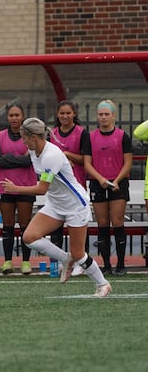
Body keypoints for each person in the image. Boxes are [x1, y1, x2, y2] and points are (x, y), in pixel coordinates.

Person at [1, 118, 111, 297]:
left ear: (34, 137)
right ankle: (65, 259)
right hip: (55, 204)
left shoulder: (51, 155)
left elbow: (42, 189)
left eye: (25, 138)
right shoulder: (33, 151)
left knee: (78, 252)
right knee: (29, 237)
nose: (23, 142)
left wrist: (16, 189)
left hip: (75, 205)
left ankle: (103, 284)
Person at [82, 99, 133, 275]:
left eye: (107, 114)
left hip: (118, 183)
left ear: (113, 116)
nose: (103, 117)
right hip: (98, 183)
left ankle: (120, 265)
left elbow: (128, 162)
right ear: (97, 116)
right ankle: (106, 265)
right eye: (101, 114)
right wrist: (100, 178)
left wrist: (117, 180)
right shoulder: (90, 137)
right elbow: (87, 163)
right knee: (102, 224)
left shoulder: (122, 136)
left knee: (118, 222)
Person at [0, 103, 36, 275]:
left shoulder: (30, 136)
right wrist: (18, 158)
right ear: (7, 118)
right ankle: (7, 261)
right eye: (11, 115)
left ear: (23, 116)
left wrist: (8, 157)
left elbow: (31, 160)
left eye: (17, 115)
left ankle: (26, 262)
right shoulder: (0, 136)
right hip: (5, 186)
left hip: (26, 186)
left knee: (25, 225)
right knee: (8, 225)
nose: (14, 118)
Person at [49, 100, 89, 276]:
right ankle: (61, 261)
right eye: (62, 113)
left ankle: (81, 261)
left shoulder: (82, 133)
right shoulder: (52, 134)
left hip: (76, 186)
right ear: (57, 115)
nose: (65, 116)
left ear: (74, 114)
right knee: (55, 226)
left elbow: (86, 160)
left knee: (77, 227)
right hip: (56, 188)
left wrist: (66, 156)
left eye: (68, 113)